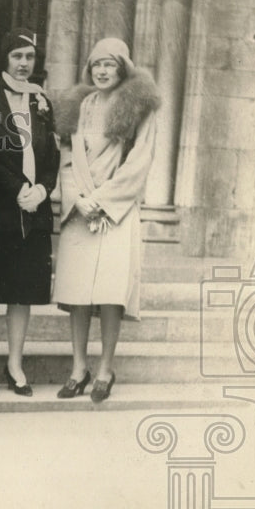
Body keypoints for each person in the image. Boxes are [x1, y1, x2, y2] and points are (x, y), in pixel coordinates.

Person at [52, 38, 160, 403]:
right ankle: (78, 368)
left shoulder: (140, 108)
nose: (101, 71)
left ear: (123, 68)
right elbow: (67, 160)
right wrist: (78, 201)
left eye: (109, 65)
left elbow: (139, 164)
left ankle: (104, 369)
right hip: (80, 210)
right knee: (78, 293)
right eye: (96, 64)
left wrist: (100, 202)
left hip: (116, 212)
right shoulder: (79, 107)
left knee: (110, 294)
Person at [0, 29, 60, 396]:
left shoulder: (43, 101)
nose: (24, 64)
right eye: (17, 57)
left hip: (33, 209)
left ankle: (15, 363)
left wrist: (43, 189)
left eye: (29, 57)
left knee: (22, 290)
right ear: (5, 59)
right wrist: (18, 187)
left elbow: (51, 156)